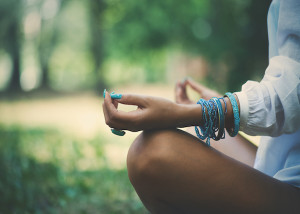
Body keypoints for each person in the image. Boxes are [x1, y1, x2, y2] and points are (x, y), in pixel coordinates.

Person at [102, 0, 300, 213]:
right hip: (280, 168)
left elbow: (292, 93)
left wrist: (193, 112)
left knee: (150, 154)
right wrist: (210, 109)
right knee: (188, 134)